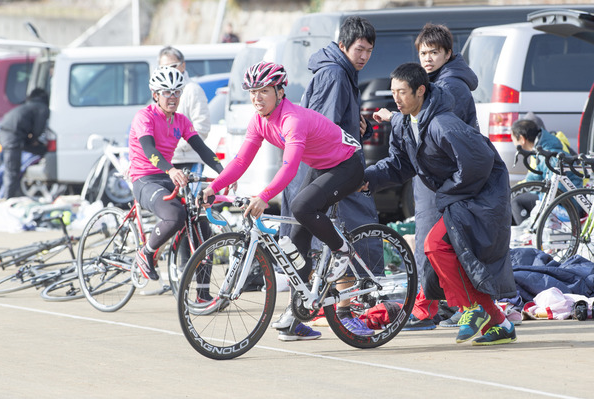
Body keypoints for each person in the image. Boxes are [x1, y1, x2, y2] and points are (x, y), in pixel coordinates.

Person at [200, 61, 365, 341]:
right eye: (253, 92)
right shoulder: (259, 121)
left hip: (347, 164)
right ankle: (296, 318)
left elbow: (289, 168)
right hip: (321, 165)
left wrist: (264, 196)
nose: (257, 98)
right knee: (295, 244)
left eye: (264, 90)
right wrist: (214, 186)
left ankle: (342, 251)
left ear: (279, 90)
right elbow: (241, 160)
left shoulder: (292, 119)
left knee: (302, 206)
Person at [364, 63, 517, 345]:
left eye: (402, 92)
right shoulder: (407, 121)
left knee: (435, 245)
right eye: (393, 91)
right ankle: (499, 323)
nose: (396, 98)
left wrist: (448, 192)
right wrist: (368, 179)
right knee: (450, 256)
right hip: (460, 197)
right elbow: (399, 165)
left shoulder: (442, 123)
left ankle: (473, 308)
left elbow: (479, 162)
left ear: (421, 91)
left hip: (482, 196)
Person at [275, 15, 378, 338]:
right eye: (359, 49)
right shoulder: (335, 73)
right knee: (344, 239)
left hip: (316, 167)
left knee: (302, 242)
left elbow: (330, 123)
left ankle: (292, 317)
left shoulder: (338, 71)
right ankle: (344, 313)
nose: (363, 56)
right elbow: (324, 126)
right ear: (343, 45)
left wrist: (357, 125)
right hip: (327, 168)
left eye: (369, 51)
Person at [373, 23, 478, 331]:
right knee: (438, 243)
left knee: (435, 242)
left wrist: (394, 118)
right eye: (423, 53)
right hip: (436, 175)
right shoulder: (436, 81)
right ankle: (444, 306)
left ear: (449, 53)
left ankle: (433, 309)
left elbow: (430, 125)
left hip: (443, 176)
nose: (428, 58)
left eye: (435, 52)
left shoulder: (451, 86)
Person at [129, 66, 224, 282]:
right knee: (175, 216)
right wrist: (171, 169)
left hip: (166, 177)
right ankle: (147, 253)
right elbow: (149, 149)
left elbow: (203, 150)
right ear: (155, 95)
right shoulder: (144, 117)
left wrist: (223, 173)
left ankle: (202, 294)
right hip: (144, 179)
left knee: (200, 222)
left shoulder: (181, 121)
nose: (172, 97)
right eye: (166, 92)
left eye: (177, 92)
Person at [510, 116, 582, 225]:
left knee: (516, 201)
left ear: (522, 139)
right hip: (560, 200)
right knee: (513, 197)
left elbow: (555, 190)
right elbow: (535, 177)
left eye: (513, 139)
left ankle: (527, 235)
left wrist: (534, 192)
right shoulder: (542, 150)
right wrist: (517, 190)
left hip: (567, 205)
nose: (513, 143)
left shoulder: (548, 154)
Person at [158, 46, 211, 176]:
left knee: (188, 196)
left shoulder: (192, 89)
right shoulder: (159, 90)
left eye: (173, 66)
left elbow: (202, 127)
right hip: (165, 161)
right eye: (164, 68)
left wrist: (176, 146)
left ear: (183, 66)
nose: (169, 71)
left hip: (188, 159)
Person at [0, 88, 49, 199]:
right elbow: (37, 130)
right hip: (12, 136)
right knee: (12, 171)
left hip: (7, 133)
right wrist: (34, 140)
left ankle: (11, 196)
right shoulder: (42, 108)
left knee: (11, 169)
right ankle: (8, 200)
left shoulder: (28, 106)